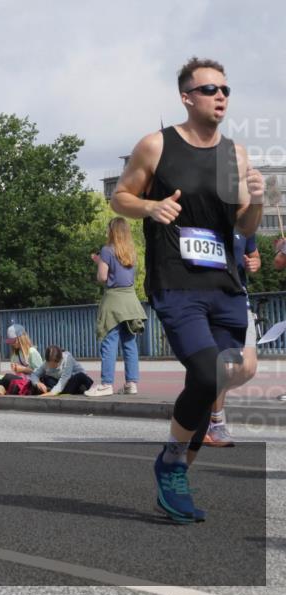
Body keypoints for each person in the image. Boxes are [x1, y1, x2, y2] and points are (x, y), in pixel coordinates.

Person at [111, 56, 263, 523]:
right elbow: (120, 197)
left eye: (225, 90)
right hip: (176, 283)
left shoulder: (235, 155)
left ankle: (176, 469)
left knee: (225, 375)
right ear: (186, 96)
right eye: (210, 89)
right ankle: (173, 462)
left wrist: (257, 201)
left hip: (224, 283)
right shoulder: (157, 146)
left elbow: (244, 224)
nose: (221, 96)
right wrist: (151, 207)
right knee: (207, 372)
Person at [202, 233, 262, 445]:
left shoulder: (245, 225)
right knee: (224, 366)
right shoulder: (206, 218)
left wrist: (254, 263)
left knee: (248, 368)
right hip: (212, 300)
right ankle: (216, 424)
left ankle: (201, 395)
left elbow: (254, 256)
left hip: (239, 298)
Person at [86, 218, 146, 397]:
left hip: (113, 300)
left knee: (109, 341)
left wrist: (99, 263)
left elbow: (103, 277)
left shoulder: (107, 250)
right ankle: (131, 383)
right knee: (129, 343)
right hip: (130, 300)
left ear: (112, 231)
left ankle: (106, 384)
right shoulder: (131, 251)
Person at [0, 324, 43, 395]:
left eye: (13, 341)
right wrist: (15, 369)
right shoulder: (15, 354)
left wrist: (23, 369)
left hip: (30, 382)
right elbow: (17, 374)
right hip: (20, 380)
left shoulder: (32, 352)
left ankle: (1, 388)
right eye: (11, 341)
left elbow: (41, 373)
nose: (12, 344)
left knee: (8, 377)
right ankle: (1, 388)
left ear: (21, 338)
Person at [29, 345, 94, 396]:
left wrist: (53, 392)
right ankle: (61, 391)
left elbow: (64, 379)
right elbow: (34, 374)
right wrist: (37, 383)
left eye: (55, 364)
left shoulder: (68, 358)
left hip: (75, 381)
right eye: (50, 364)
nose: (52, 367)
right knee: (46, 378)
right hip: (62, 385)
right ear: (47, 361)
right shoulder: (45, 363)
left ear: (60, 359)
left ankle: (58, 391)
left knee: (80, 376)